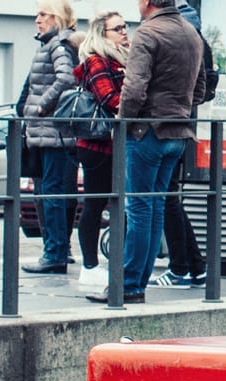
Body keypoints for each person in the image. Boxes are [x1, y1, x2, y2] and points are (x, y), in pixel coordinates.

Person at [96, 0, 210, 305]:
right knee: (155, 206)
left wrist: (123, 123)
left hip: (146, 133)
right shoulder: (191, 33)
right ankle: (135, 284)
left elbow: (133, 90)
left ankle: (129, 285)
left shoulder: (148, 33)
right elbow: (200, 89)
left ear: (147, 2)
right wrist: (178, 109)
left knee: (139, 209)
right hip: (178, 132)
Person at [151, 0, 214, 289]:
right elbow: (204, 86)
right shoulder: (196, 34)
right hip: (182, 123)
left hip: (161, 126)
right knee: (169, 197)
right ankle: (195, 268)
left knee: (164, 199)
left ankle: (180, 269)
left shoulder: (170, 31)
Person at [21, 1, 81, 274]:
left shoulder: (57, 45)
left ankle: (55, 253)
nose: (38, 19)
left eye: (43, 14)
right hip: (49, 131)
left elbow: (66, 78)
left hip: (53, 131)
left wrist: (41, 106)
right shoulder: (52, 44)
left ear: (58, 18)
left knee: (52, 192)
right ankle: (56, 251)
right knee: (51, 191)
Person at [73, 12, 128, 293]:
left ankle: (110, 265)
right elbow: (109, 98)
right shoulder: (97, 60)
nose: (124, 32)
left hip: (113, 143)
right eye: (117, 28)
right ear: (101, 34)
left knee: (116, 205)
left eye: (125, 26)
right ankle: (89, 267)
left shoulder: (120, 58)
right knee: (95, 205)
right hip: (97, 144)